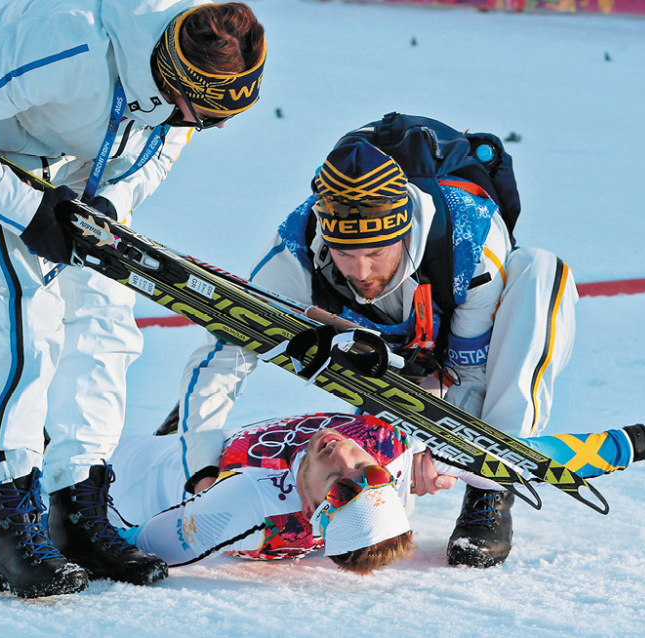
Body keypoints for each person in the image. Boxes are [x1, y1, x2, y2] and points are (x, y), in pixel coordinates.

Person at [0, 0, 266, 598]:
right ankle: (10, 528)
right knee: (31, 327)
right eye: (204, 114)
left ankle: (77, 510)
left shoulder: (190, 71)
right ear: (168, 76)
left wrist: (111, 204)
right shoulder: (68, 40)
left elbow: (162, 144)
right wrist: (29, 211)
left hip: (82, 180)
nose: (215, 126)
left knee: (107, 326)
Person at [171, 129, 579, 569]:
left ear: (405, 231)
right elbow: (224, 354)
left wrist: (444, 451)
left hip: (446, 347)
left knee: (541, 270)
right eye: (345, 253)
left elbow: (472, 373)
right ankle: (184, 428)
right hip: (368, 352)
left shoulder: (472, 238)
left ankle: (490, 486)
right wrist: (201, 464)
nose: (361, 271)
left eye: (376, 251)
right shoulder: (294, 250)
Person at [113, 413, 645, 573]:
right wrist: (643, 442)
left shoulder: (251, 508)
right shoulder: (385, 452)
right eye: (368, 471)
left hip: (128, 479)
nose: (343, 452)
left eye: (342, 481)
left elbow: (137, 543)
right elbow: (528, 458)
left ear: (311, 512)